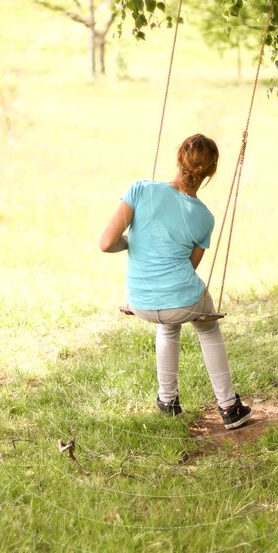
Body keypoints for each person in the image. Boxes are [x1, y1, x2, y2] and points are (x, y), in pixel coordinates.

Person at [99, 133, 252, 430]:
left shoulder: (140, 190)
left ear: (179, 157)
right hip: (181, 301)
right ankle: (230, 407)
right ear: (210, 172)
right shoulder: (204, 217)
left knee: (168, 327)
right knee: (207, 328)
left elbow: (106, 243)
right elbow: (189, 267)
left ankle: (168, 401)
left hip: (142, 302)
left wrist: (130, 242)